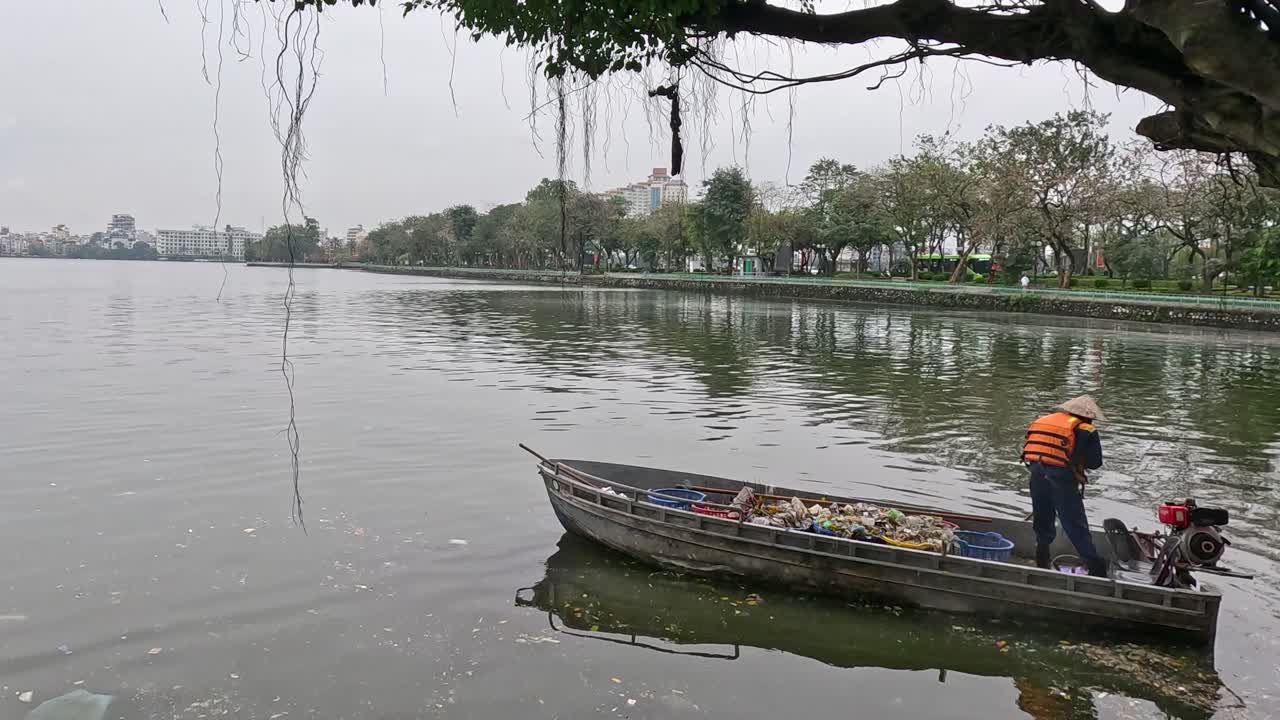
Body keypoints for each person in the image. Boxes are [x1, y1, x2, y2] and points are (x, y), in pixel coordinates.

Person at [1021, 395, 1108, 577]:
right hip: (1061, 479)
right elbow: (1095, 462)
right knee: (1074, 523)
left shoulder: (1043, 420)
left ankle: (1042, 560)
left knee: (1042, 518)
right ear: (1088, 416)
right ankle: (1096, 569)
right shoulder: (1086, 429)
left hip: (1036, 474)